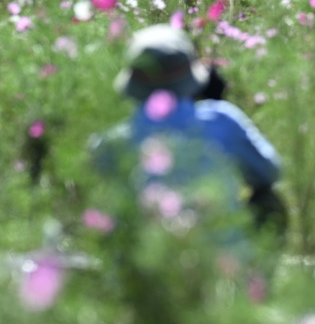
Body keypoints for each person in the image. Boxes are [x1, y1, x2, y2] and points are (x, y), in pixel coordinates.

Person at [93, 25, 282, 234]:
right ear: (189, 77)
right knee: (269, 199)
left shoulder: (111, 143)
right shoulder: (222, 120)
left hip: (144, 256)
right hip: (221, 256)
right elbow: (270, 172)